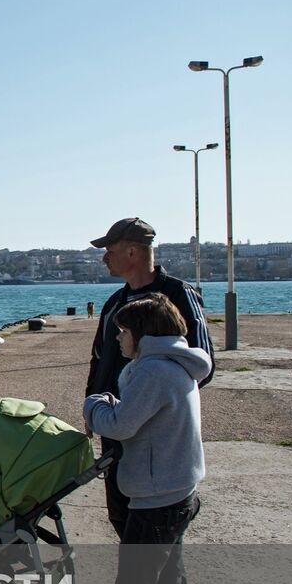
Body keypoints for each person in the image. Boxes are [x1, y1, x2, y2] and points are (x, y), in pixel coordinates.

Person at [82, 293, 210, 584]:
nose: (119, 339)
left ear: (143, 334)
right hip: (177, 492)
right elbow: (146, 416)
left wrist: (93, 406)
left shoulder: (153, 371)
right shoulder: (177, 366)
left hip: (156, 499)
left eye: (123, 331)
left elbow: (121, 425)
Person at [85, 217, 214, 537]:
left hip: (156, 435)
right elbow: (99, 358)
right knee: (121, 516)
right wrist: (92, 402)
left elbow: (200, 359)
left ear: (132, 252)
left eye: (109, 251)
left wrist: (158, 409)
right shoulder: (114, 303)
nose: (104, 258)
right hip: (116, 428)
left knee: (151, 526)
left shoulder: (177, 295)